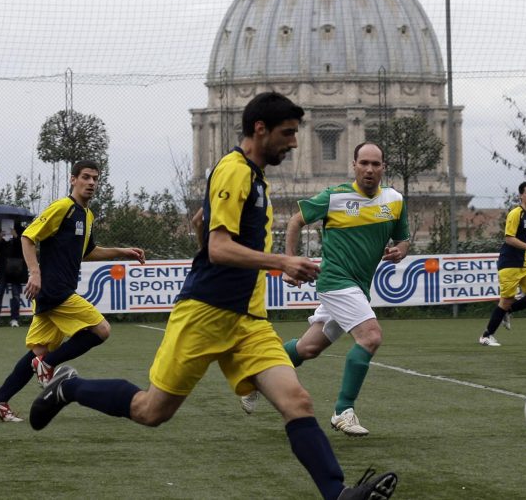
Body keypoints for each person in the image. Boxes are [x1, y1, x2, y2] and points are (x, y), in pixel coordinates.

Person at [25, 92, 398, 500]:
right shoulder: (234, 170)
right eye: (287, 133)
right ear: (260, 129)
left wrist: (207, 225)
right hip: (205, 313)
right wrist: (282, 262)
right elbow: (219, 250)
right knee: (152, 411)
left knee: (297, 401)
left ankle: (337, 493)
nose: (294, 143)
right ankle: (70, 387)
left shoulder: (255, 177)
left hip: (248, 321)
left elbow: (208, 234)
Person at [240, 141, 410, 439]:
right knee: (371, 336)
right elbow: (295, 221)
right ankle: (343, 411)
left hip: (358, 286)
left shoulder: (394, 200)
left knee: (308, 348)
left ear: (383, 168)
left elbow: (403, 239)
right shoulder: (335, 196)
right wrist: (290, 262)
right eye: (364, 163)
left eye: (376, 164)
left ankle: (254, 374)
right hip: (335, 281)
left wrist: (401, 250)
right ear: (354, 166)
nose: (369, 169)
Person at [0, 161, 145, 423]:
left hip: (57, 290)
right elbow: (28, 237)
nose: (91, 182)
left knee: (38, 352)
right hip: (54, 289)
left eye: (95, 178)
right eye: (85, 177)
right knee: (101, 330)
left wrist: (122, 252)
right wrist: (34, 272)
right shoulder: (63, 208)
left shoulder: (87, 215)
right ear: (73, 180)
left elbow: (89, 251)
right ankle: (48, 365)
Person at [479, 181, 526, 346]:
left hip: (524, 264)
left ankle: (507, 312)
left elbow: (525, 240)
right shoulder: (515, 213)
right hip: (510, 263)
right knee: (505, 301)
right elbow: (509, 238)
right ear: (521, 195)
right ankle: (486, 336)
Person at [0, 219, 30, 328]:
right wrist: (0, 239)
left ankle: (14, 319)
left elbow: (23, 249)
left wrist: (16, 237)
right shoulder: (2, 230)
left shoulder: (22, 231)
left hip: (16, 267)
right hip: (3, 268)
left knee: (15, 295)